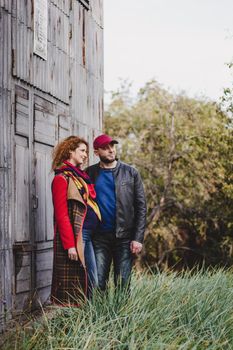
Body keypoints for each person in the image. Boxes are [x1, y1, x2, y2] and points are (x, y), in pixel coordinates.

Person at [86, 134, 147, 291]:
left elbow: (141, 206)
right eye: (105, 148)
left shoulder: (131, 173)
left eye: (112, 146)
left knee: (122, 283)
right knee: (98, 283)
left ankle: (122, 314)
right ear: (96, 152)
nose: (111, 150)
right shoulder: (89, 174)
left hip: (124, 238)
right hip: (98, 237)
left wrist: (138, 238)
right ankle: (100, 315)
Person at [51, 136, 101, 305]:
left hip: (87, 234)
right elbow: (61, 214)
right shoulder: (61, 178)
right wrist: (70, 245)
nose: (86, 155)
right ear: (70, 151)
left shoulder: (79, 176)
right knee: (86, 279)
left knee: (91, 278)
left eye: (86, 151)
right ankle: (85, 318)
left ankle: (90, 316)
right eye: (82, 151)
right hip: (78, 236)